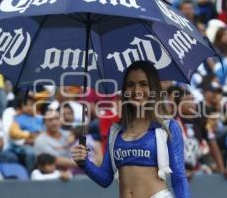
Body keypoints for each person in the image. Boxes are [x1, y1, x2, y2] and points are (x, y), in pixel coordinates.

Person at [71, 61, 190, 198]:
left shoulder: (168, 127)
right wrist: (84, 163)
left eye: (143, 84)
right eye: (130, 85)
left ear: (154, 89)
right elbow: (105, 178)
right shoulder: (115, 131)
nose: (136, 90)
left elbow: (179, 178)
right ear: (124, 91)